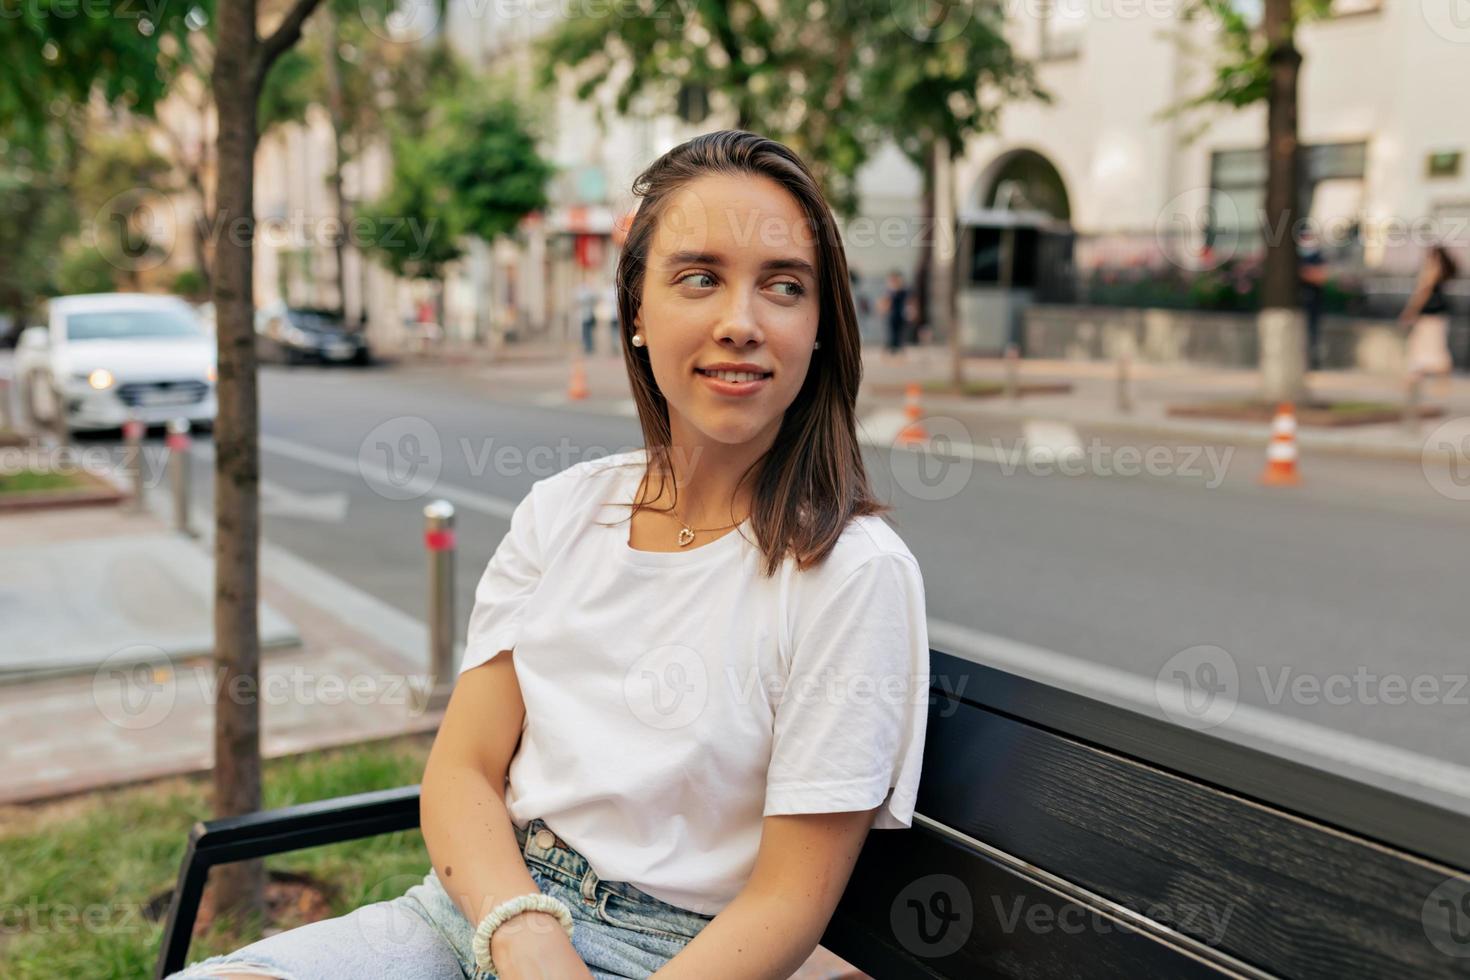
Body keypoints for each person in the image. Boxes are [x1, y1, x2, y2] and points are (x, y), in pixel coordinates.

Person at [169, 130, 930, 980]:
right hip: (481, 908)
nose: (741, 322)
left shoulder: (853, 574)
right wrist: (522, 931)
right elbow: (461, 769)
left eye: (783, 287)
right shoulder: (565, 511)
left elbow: (788, 901)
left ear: (821, 326)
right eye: (699, 278)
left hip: (676, 953)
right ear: (637, 312)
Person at [1399, 244, 1459, 394]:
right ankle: (1415, 378)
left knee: (1424, 346)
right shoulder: (1440, 272)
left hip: (1429, 315)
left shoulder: (1431, 271)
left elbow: (1422, 293)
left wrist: (1410, 311)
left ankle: (1415, 378)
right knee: (1430, 346)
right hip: (1438, 315)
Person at [1299, 228, 1328, 371]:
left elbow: (1320, 277)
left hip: (1313, 304)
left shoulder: (1317, 256)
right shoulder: (1297, 256)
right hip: (1297, 306)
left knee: (1312, 335)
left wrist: (1303, 272)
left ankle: (1312, 365)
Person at [878, 270, 909, 355]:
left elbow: (909, 301)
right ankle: (892, 348)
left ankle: (898, 347)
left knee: (899, 333)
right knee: (891, 332)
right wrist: (883, 309)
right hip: (892, 315)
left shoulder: (903, 290)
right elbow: (886, 301)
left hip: (900, 315)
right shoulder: (890, 291)